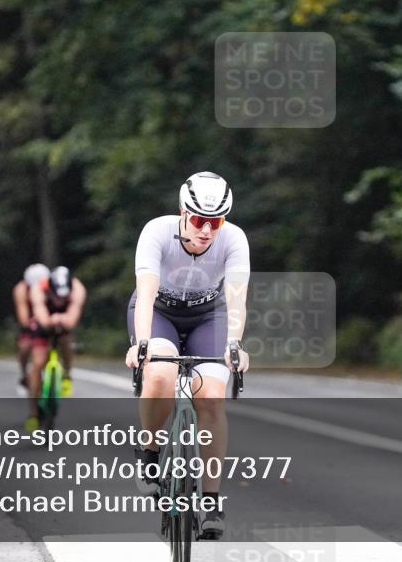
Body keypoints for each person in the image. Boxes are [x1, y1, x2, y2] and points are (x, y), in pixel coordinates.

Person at [124, 171, 251, 540]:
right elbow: (145, 292)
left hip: (208, 316)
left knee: (211, 397)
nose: (207, 230)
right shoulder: (156, 232)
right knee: (160, 374)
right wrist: (142, 343)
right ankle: (149, 450)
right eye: (198, 220)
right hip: (159, 312)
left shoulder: (234, 240)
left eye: (216, 221)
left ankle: (210, 501)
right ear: (182, 212)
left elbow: (237, 299)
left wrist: (235, 345)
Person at [26, 266, 86, 431]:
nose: (60, 300)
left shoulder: (77, 288)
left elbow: (73, 315)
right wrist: (49, 320)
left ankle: (67, 373)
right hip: (43, 323)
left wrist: (63, 319)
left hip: (64, 323)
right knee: (38, 364)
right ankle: (33, 412)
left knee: (66, 341)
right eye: (57, 296)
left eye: (64, 297)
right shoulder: (39, 288)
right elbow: (40, 314)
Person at [13, 263, 51, 395]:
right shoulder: (21, 288)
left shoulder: (51, 286)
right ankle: (24, 375)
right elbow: (22, 310)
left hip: (48, 321)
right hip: (30, 324)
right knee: (25, 347)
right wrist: (28, 324)